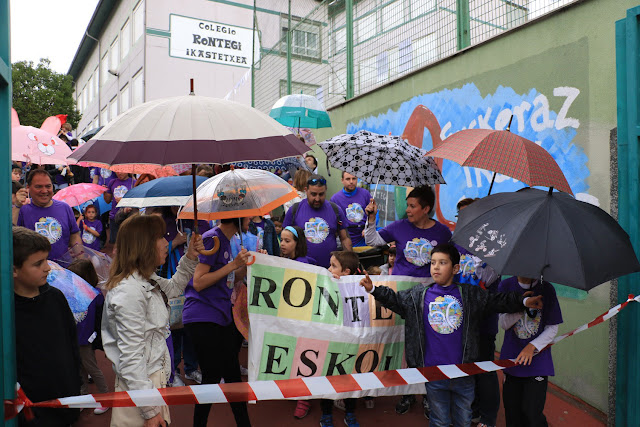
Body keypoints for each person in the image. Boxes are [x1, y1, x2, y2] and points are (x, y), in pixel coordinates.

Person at [359, 243, 544, 427]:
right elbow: (395, 300)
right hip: (434, 374)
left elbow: (497, 301)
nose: (436, 267)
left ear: (455, 268)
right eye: (433, 263)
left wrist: (524, 300)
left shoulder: (470, 295)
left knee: (463, 421)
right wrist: (373, 289)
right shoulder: (418, 296)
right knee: (439, 421)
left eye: (442, 262)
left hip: (463, 374)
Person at [102, 214, 204, 427]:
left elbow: (174, 288)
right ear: (143, 245)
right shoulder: (129, 291)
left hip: (148, 386)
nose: (166, 242)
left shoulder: (145, 278)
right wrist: (149, 411)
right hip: (142, 388)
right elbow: (130, 358)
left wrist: (191, 256)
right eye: (160, 237)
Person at [364, 185, 451, 414]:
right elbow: (373, 240)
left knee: (426, 344)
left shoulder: (443, 233)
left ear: (426, 208)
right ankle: (406, 392)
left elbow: (448, 262)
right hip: (400, 294)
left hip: (430, 296)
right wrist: (371, 218)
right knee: (403, 344)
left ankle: (426, 393)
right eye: (408, 205)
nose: (408, 210)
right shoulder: (400, 227)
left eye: (413, 206)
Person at [183, 217, 253, 427]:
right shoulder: (211, 238)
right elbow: (199, 281)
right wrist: (233, 264)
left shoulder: (228, 240)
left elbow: (229, 278)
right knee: (213, 377)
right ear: (240, 218)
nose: (251, 219)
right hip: (203, 316)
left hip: (220, 316)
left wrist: (247, 265)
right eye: (248, 215)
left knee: (229, 376)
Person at [13, 226, 82, 426]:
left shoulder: (56, 298)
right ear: (14, 269)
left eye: (46, 260)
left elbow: (71, 345)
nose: (48, 268)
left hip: (66, 402)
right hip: (30, 411)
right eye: (38, 263)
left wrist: (75, 386)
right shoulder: (8, 312)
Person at [455, 198, 501, 427]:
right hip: (461, 319)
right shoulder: (456, 245)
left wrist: (482, 266)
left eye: (469, 214)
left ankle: (488, 418)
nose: (464, 219)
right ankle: (472, 410)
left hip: (483, 321)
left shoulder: (492, 246)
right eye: (460, 215)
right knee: (466, 369)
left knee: (485, 370)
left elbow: (492, 280)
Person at [498, 276, 563, 427]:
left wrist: (532, 347)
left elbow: (552, 327)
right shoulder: (506, 286)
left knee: (532, 412)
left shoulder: (546, 288)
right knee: (512, 413)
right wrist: (523, 304)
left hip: (538, 364)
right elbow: (503, 324)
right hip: (512, 361)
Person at [320, 250, 362, 427]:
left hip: (350, 342)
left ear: (347, 272)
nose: (329, 269)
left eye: (333, 266)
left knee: (351, 378)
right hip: (329, 340)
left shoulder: (359, 287)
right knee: (326, 376)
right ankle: (326, 414)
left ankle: (350, 412)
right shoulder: (325, 283)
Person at [66, 258, 110, 416]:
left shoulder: (95, 294)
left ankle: (106, 397)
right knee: (79, 369)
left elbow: (100, 317)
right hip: (74, 338)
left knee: (92, 368)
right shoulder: (70, 293)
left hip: (85, 339)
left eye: (75, 276)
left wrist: (95, 336)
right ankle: (83, 397)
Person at [282, 174, 352, 268]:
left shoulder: (335, 210)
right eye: (313, 194)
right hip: (301, 269)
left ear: (326, 190)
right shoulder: (294, 210)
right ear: (306, 191)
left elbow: (345, 238)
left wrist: (350, 264)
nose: (317, 198)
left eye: (321, 194)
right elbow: (284, 240)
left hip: (330, 270)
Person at [17, 169, 82, 261]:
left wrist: (81, 260)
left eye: (48, 186)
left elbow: (74, 235)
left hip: (64, 270)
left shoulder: (65, 207)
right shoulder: (21, 209)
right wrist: (16, 206)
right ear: (28, 187)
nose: (44, 191)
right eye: (38, 187)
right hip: (34, 272)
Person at [330, 172, 373, 247]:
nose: (351, 181)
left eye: (354, 178)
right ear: (342, 180)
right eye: (348, 179)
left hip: (364, 235)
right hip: (345, 235)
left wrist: (369, 228)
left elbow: (375, 214)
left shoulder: (365, 194)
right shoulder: (335, 199)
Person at [103, 172, 136, 244]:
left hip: (128, 217)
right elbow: (107, 200)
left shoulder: (134, 182)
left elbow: (136, 201)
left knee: (128, 243)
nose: (119, 173)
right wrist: (104, 192)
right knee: (115, 244)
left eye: (122, 171)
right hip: (114, 217)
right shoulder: (112, 182)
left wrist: (123, 201)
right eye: (117, 171)